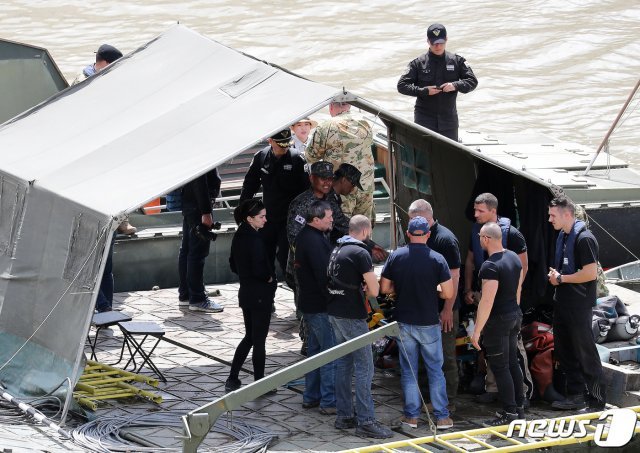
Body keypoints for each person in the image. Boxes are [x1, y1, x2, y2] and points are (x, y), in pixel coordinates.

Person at [380, 216, 454, 430]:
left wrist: (402, 288)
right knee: (435, 370)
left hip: (404, 322)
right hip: (428, 322)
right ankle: (442, 417)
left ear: (409, 234)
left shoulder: (396, 256)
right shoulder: (437, 259)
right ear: (428, 235)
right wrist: (432, 289)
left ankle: (411, 417)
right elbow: (448, 292)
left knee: (409, 371)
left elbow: (384, 289)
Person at [327, 215, 393, 439]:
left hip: (335, 312)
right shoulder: (360, 252)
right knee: (365, 367)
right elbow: (375, 292)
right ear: (366, 231)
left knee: (344, 364)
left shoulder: (337, 248)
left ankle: (344, 415)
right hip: (352, 316)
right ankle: (366, 421)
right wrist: (368, 285)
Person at [463, 193, 533, 405]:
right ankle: (494, 389)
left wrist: (512, 299)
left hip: (504, 304)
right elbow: (470, 261)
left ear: (493, 211)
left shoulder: (512, 235)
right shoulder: (477, 232)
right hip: (486, 298)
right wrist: (468, 289)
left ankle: (521, 395)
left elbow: (523, 268)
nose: (475, 215)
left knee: (514, 354)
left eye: (480, 211)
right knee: (491, 348)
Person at [548, 195, 607, 411]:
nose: (549, 219)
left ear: (567, 214)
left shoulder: (584, 238)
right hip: (563, 303)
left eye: (552, 215)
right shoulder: (562, 237)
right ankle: (575, 395)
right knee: (565, 351)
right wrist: (557, 275)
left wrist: (562, 279)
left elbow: (590, 274)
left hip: (579, 305)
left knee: (585, 352)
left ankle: (597, 399)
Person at [72, 43, 137, 236]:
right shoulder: (88, 82)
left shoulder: (88, 76)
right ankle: (116, 222)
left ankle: (119, 220)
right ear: (107, 64)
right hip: (92, 143)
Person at [469, 222, 525, 426]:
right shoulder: (512, 257)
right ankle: (519, 408)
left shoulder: (490, 266)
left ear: (486, 239)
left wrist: (477, 332)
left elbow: (487, 300)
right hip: (514, 315)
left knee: (501, 367)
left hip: (498, 321)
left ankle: (509, 412)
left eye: (480, 237)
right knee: (512, 363)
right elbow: (518, 290)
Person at [408, 199, 460, 409]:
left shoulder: (446, 240)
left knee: (445, 357)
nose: (409, 224)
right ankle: (426, 399)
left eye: (412, 219)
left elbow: (455, 278)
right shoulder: (415, 234)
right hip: (421, 309)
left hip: (442, 308)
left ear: (425, 217)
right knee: (421, 356)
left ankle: (448, 402)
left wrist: (448, 309)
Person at [225, 199, 277, 394]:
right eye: (261, 217)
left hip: (246, 292)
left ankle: (233, 377)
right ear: (250, 219)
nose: (265, 220)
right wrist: (269, 277)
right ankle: (259, 384)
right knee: (259, 340)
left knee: (249, 337)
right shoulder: (254, 239)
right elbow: (259, 268)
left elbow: (232, 264)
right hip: (259, 294)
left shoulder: (239, 235)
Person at [241, 129, 309, 275]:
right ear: (270, 141)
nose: (284, 148)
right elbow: (249, 186)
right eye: (280, 145)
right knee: (264, 257)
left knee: (286, 257)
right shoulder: (261, 157)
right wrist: (243, 213)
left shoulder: (297, 159)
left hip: (289, 219)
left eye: (287, 144)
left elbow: (306, 192)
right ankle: (267, 293)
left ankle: (296, 290)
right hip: (268, 218)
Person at [397, 23, 478, 141]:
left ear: (446, 39)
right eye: (433, 43)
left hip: (449, 122)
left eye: (440, 42)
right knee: (423, 157)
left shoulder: (457, 61)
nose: (437, 46)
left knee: (450, 157)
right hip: (424, 120)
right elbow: (402, 86)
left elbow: (472, 81)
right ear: (428, 41)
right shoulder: (418, 63)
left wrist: (455, 85)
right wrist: (423, 91)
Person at [295, 200, 336, 414]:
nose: (332, 219)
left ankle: (311, 396)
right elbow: (324, 276)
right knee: (329, 354)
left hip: (310, 305)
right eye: (329, 217)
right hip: (320, 306)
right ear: (316, 219)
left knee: (316, 352)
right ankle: (329, 401)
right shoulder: (314, 241)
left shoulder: (308, 236)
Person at [306, 102, 375, 222]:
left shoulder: (326, 126)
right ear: (349, 106)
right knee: (364, 226)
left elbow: (311, 155)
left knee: (341, 227)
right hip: (365, 187)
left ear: (331, 107)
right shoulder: (366, 123)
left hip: (342, 189)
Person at [178, 168, 224, 312]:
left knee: (187, 251)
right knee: (197, 253)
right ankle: (198, 298)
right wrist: (206, 211)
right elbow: (199, 180)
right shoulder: (202, 151)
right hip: (198, 207)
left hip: (191, 204)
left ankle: (186, 295)